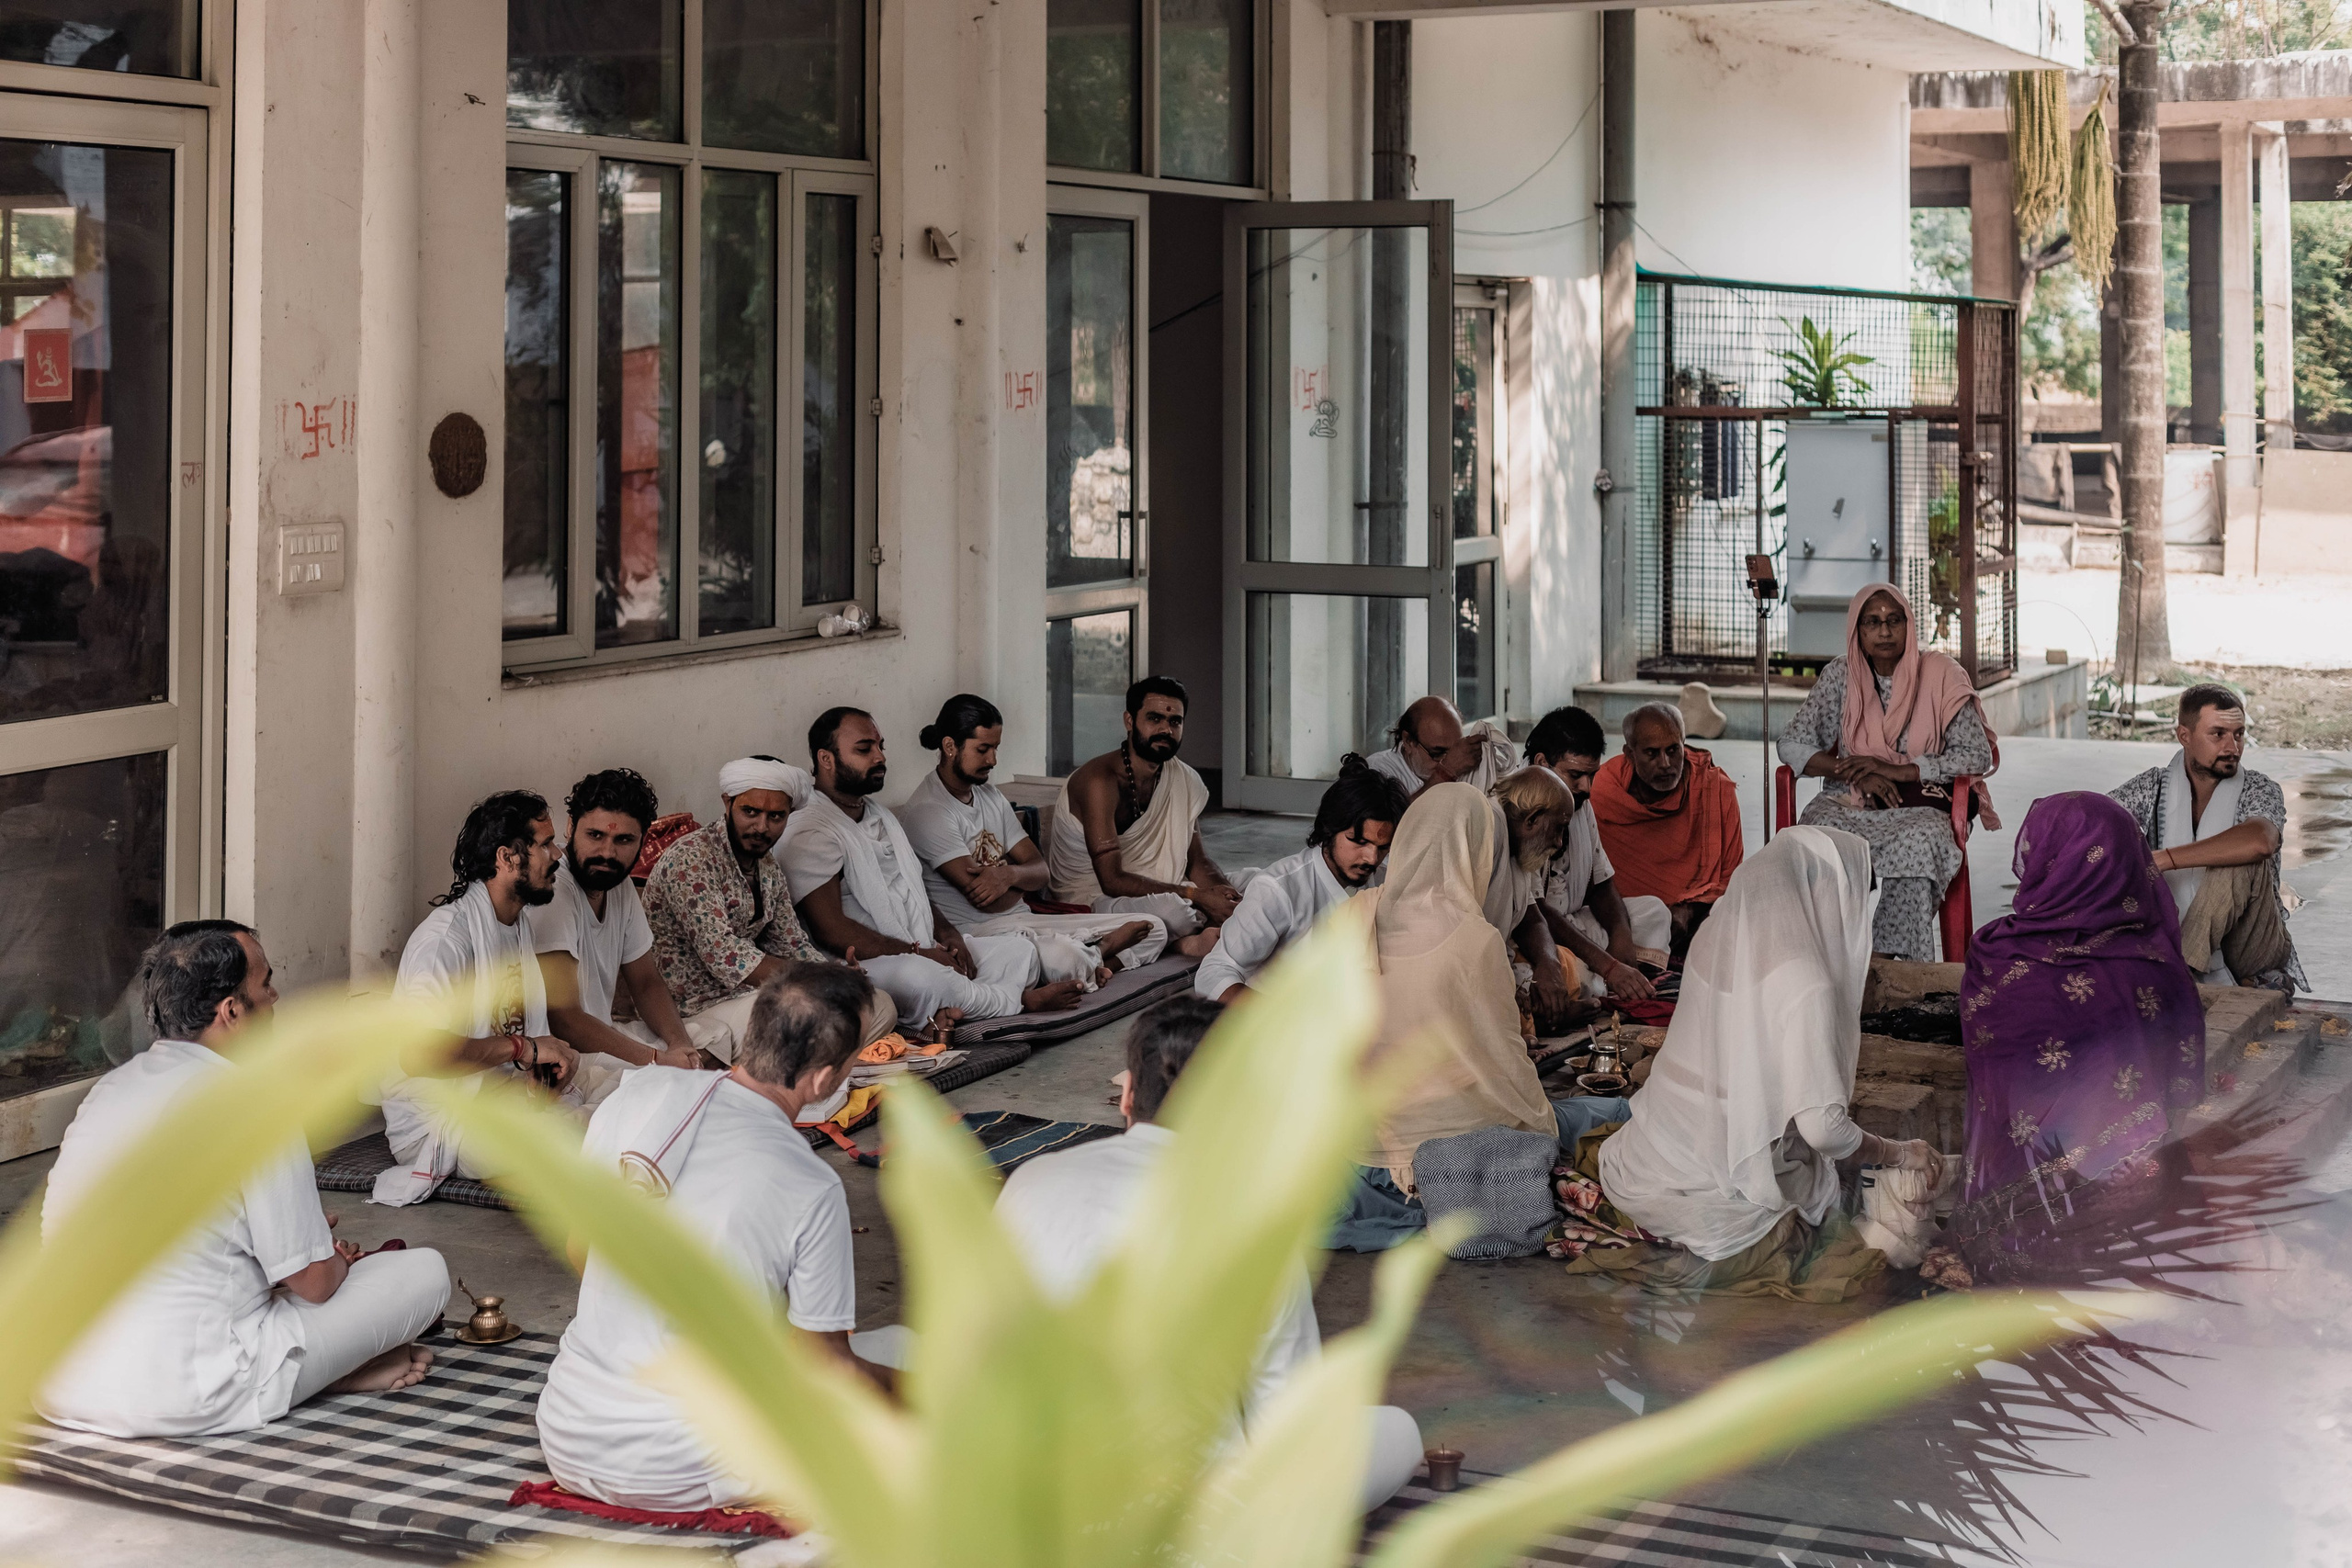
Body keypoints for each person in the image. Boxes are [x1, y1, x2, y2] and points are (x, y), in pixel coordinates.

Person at [994, 996, 1425, 1512]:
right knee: (1394, 1432)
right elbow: (1280, 1427)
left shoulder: (1032, 1177)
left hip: (1028, 1489)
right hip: (1180, 1519)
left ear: (1128, 1095)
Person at [39, 922, 450, 1437]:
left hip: (63, 1382)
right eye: (266, 985)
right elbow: (316, 1285)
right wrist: (321, 1253)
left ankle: (320, 1368)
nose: (276, 998)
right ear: (232, 1012)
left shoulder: (107, 1092)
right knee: (425, 1273)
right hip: (191, 1393)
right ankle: (327, 1375)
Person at [537, 964, 900, 1512]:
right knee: (907, 1358)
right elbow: (830, 1373)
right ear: (825, 1080)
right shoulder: (810, 1183)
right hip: (683, 1461)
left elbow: (581, 1252)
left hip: (568, 1432)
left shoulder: (634, 1096)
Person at [1578, 828, 1941, 1299]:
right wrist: (1900, 1151)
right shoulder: (1807, 984)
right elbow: (1824, 1131)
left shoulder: (1717, 933)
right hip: (1717, 1186)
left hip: (1650, 1154)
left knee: (1815, 1185)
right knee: (1839, 1232)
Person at [1334, 784, 1632, 1251]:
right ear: (1477, 848)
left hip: (1357, 1147)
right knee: (1606, 1113)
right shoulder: (1473, 939)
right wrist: (1541, 1126)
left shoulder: (1349, 916)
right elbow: (1507, 1070)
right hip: (1448, 1152)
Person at [1937, 793, 2207, 1286]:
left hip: (2023, 1209)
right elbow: (2179, 1087)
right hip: (2141, 1199)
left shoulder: (1997, 958)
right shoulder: (2157, 966)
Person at [781, 706, 1088, 1029]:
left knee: (1017, 951)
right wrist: (916, 954)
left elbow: (914, 888)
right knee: (922, 979)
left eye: (880, 746)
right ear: (825, 759)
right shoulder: (810, 829)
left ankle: (951, 1012)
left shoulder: (878, 815)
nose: (879, 757)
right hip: (862, 962)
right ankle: (1018, 1002)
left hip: (918, 946)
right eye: (864, 749)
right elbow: (830, 930)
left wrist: (948, 934)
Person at [375, 791, 586, 1206]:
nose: (558, 853)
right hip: (434, 1123)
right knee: (590, 1136)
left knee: (626, 1085)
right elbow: (420, 1055)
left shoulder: (516, 925)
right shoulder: (445, 941)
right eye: (544, 844)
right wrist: (523, 1049)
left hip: (500, 1096)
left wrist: (543, 1066)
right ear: (508, 858)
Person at [1774, 581, 1997, 962]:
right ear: (1857, 631)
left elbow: (1976, 755)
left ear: (1909, 625)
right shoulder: (1840, 676)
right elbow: (1792, 745)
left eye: (1894, 620)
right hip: (1849, 802)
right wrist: (1855, 771)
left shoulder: (1941, 674)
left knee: (1921, 844)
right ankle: (1821, 963)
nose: (1884, 631)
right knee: (1812, 837)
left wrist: (1903, 771)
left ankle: (1886, 962)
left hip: (1919, 808)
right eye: (1872, 622)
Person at [642, 757, 898, 1072]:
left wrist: (838, 976)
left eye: (776, 816)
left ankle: (795, 1067)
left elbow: (792, 944)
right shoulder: (691, 859)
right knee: (804, 1015)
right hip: (693, 1011)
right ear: (728, 803)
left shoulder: (768, 868)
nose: (762, 827)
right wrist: (820, 979)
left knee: (877, 1004)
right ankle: (805, 1069)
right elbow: (726, 956)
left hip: (751, 999)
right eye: (750, 812)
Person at [896, 692, 1166, 979]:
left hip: (1024, 919)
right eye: (983, 749)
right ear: (950, 746)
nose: (994, 760)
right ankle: (1096, 954)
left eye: (996, 748)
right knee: (1066, 958)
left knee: (1154, 926)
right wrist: (1020, 876)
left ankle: (1099, 963)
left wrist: (1007, 877)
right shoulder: (929, 811)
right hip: (979, 933)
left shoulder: (989, 794)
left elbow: (1040, 870)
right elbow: (986, 901)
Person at [2109, 684, 2302, 996]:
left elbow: (2261, 841)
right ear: (2184, 736)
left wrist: (2164, 858)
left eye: (2238, 734)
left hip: (2251, 944)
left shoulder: (2259, 787)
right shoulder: (2154, 786)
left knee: (2241, 857)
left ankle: (2177, 976)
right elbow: (2098, 823)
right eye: (2218, 734)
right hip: (2168, 931)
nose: (2232, 747)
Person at [1045, 676, 1240, 956]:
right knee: (1174, 912)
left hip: (1160, 885)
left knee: (1256, 883)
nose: (1165, 729)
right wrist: (1197, 897)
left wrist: (1230, 899)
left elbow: (1196, 861)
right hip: (1092, 898)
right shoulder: (1098, 781)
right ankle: (1185, 940)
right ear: (1129, 720)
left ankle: (1191, 933)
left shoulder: (1182, 778)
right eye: (1154, 718)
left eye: (1175, 722)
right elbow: (1111, 880)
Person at [528, 768, 704, 1078]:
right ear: (570, 827)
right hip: (569, 1057)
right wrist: (658, 1060)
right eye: (595, 835)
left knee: (708, 1038)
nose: (607, 853)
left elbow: (646, 982)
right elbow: (564, 1019)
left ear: (642, 841)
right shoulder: (555, 891)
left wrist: (680, 1046)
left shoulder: (619, 884)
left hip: (604, 1039)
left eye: (623, 840)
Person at [1193, 757, 1406, 1004]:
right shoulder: (1277, 889)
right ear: (1329, 828)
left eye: (1383, 847)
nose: (1371, 858)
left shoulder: (1384, 882)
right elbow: (1213, 973)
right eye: (1359, 842)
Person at [1522, 707, 1672, 1001]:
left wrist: (1620, 934)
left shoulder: (1580, 802)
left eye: (1592, 776)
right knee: (1570, 973)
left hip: (1575, 924)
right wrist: (1609, 965)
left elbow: (1601, 883)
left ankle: (1608, 979)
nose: (1586, 788)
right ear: (1542, 763)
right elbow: (1535, 913)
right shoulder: (1520, 807)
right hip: (1537, 940)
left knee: (1654, 912)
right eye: (1576, 775)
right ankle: (1603, 982)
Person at [1586, 701, 1744, 960]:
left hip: (1695, 920)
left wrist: (1689, 910)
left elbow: (1730, 878)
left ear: (1684, 744)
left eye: (1673, 750)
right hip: (1625, 919)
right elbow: (1586, 876)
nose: (1666, 763)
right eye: (1652, 753)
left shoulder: (1714, 789)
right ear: (1630, 753)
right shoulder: (1603, 790)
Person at [1483, 764, 1595, 1029]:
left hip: (1493, 962)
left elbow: (1531, 919)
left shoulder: (1520, 842)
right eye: (1558, 829)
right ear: (1531, 819)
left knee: (1562, 969)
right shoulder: (1489, 828)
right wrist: (1505, 985)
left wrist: (1548, 964)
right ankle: (1538, 1021)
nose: (1558, 843)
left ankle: (1532, 1017)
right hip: (1464, 965)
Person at [1362, 695, 1518, 801]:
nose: (1453, 758)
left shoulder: (1466, 764)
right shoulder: (1377, 770)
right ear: (1408, 741)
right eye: (1438, 753)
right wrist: (1446, 772)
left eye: (1455, 749)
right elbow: (1390, 829)